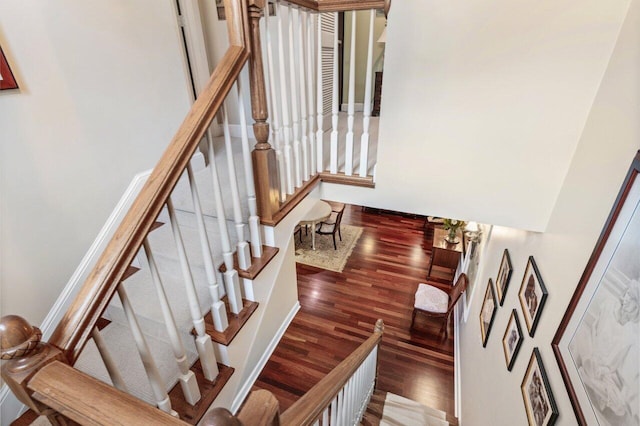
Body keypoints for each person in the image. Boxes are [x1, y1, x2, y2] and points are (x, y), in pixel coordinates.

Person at [574, 278, 639, 425]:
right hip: (591, 351)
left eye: (632, 300)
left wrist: (604, 370)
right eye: (627, 294)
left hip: (604, 371)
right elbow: (593, 331)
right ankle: (588, 374)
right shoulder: (609, 306)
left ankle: (588, 378)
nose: (627, 300)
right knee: (580, 336)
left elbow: (616, 365)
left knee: (620, 406)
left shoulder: (630, 336)